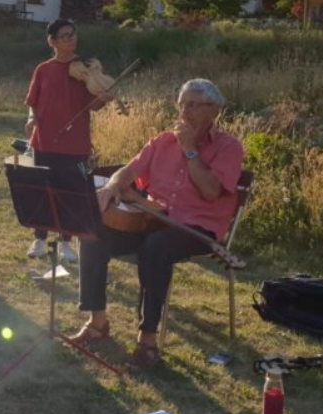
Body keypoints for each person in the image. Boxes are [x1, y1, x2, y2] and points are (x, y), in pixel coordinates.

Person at [70, 79, 243, 371]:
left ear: (213, 110)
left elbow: (211, 191)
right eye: (181, 105)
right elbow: (129, 170)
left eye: (192, 105)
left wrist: (190, 150)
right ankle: (97, 323)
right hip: (151, 218)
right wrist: (113, 187)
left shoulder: (229, 147)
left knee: (156, 248)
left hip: (195, 229)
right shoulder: (162, 141)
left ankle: (147, 341)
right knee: (92, 232)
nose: (184, 112)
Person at [24, 19, 113, 262]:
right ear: (52, 41)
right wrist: (32, 119)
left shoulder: (84, 69)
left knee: (70, 193)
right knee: (44, 191)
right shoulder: (43, 69)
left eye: (73, 34)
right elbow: (33, 102)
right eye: (64, 36)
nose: (71, 40)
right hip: (43, 141)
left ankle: (65, 242)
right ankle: (40, 239)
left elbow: (92, 106)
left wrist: (103, 98)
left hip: (75, 144)